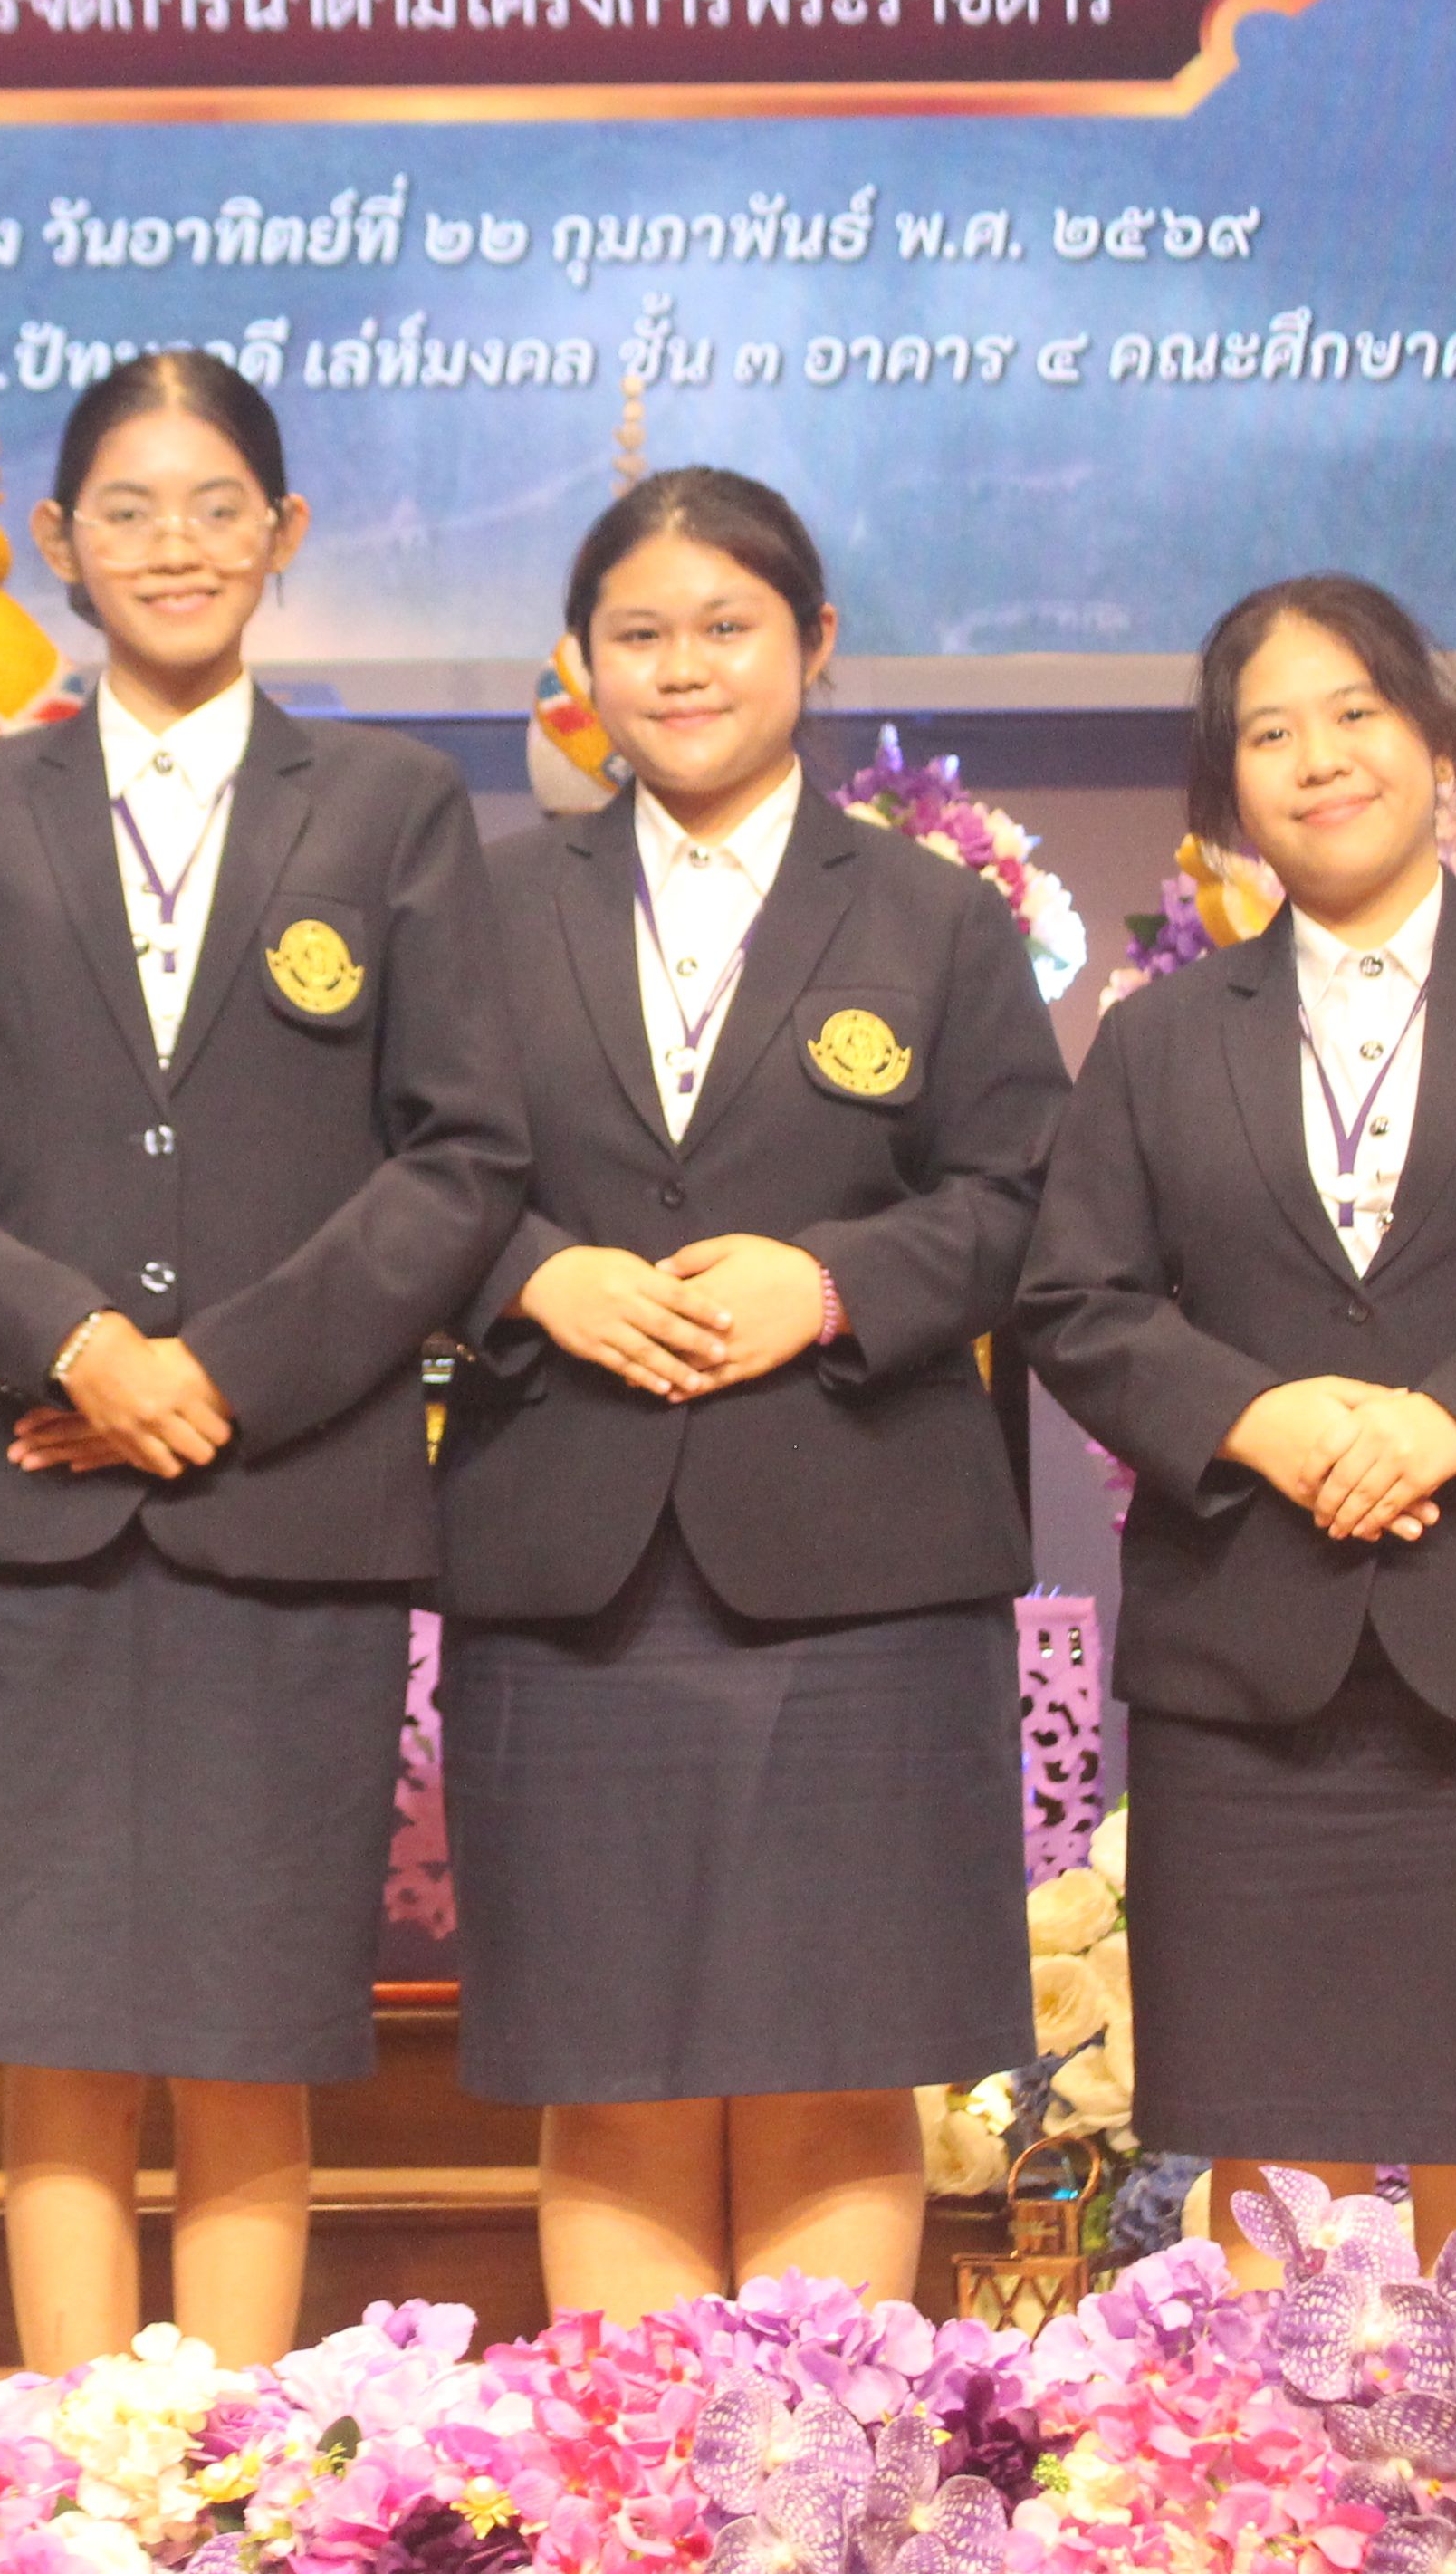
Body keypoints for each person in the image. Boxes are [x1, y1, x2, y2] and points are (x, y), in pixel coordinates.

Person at [0, 350, 527, 2371]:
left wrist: (218, 1374)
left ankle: (234, 2481)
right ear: (58, 545)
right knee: (44, 2035)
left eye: (218, 505)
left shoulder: (387, 806)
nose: (175, 544)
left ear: (284, 536)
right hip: (17, 1508)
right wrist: (72, 1344)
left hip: (283, 1508)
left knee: (250, 2022)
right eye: (129, 509)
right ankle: (79, 2473)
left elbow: (462, 1153)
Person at [1017, 574, 1456, 2332]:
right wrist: (1257, 1419)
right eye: (1270, 733)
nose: (1320, 759)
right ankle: (1286, 2482)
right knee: (1274, 2140)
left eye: (1354, 714)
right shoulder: (1163, 1036)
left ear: (1429, 738)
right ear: (1228, 786)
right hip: (1249, 1665)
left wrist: (1450, 1423)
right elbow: (1076, 1298)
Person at [431, 469, 1067, 2320]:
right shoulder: (483, 905)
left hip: (861, 1564)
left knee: (838, 2052)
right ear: (581, 665)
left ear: (816, 643)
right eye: (639, 633)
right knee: (608, 2060)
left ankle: (823, 2471)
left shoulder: (937, 920)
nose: (683, 665)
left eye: (727, 626)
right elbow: (404, 1174)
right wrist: (529, 1274)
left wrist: (835, 1282)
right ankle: (633, 2477)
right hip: (573, 1562)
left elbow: (1029, 1198)